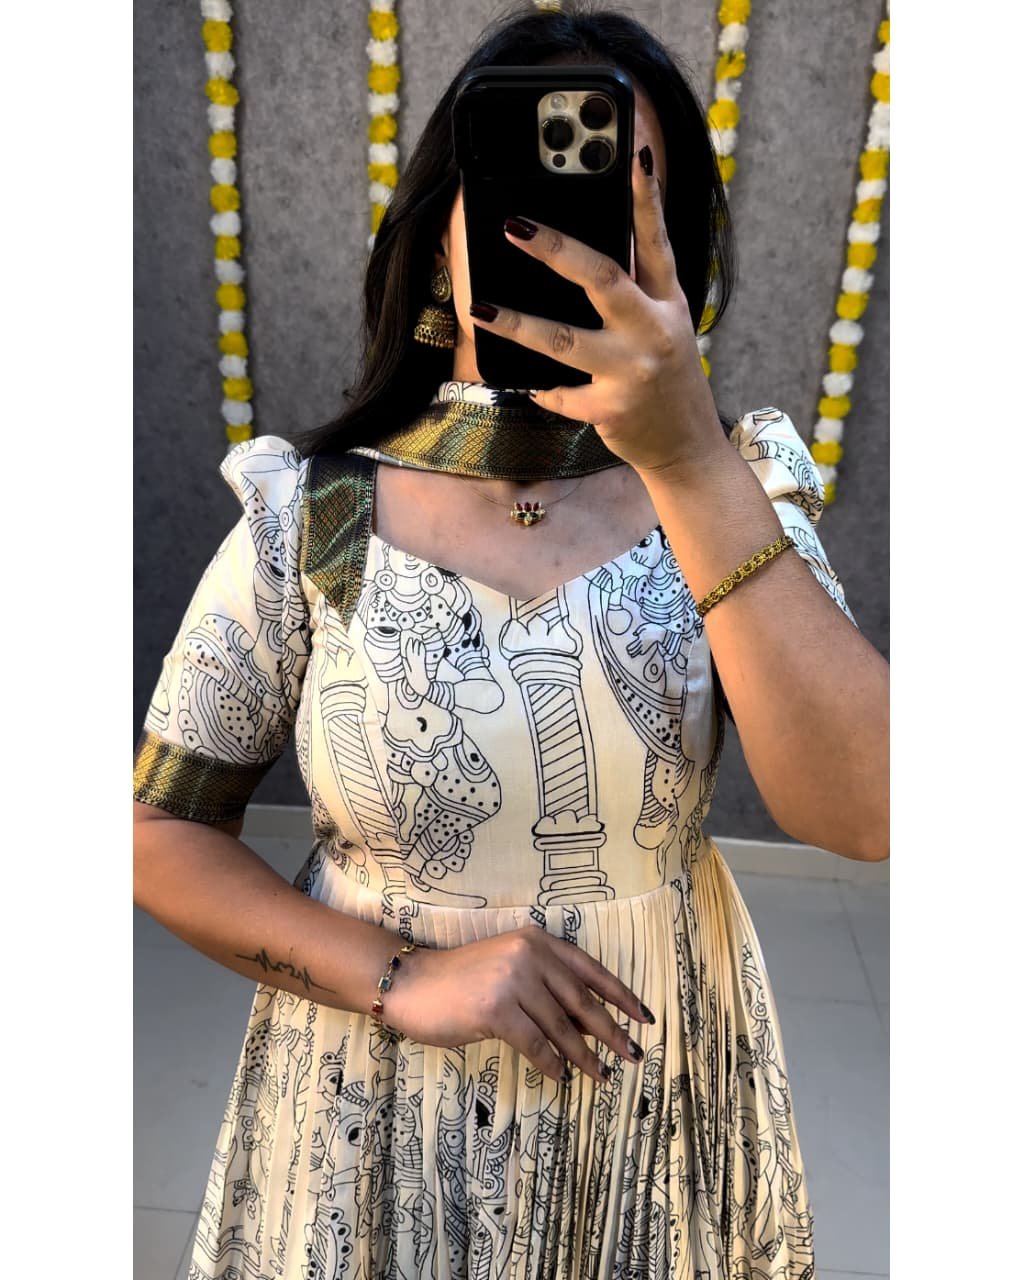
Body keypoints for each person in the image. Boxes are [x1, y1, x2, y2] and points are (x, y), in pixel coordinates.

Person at [133, 5, 889, 1278]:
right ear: (441, 228)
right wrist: (400, 975)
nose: (564, 231)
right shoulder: (311, 514)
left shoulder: (736, 492)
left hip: (649, 1100)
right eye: (511, 189)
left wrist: (689, 462)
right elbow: (156, 830)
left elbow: (865, 811)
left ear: (674, 243)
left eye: (621, 191)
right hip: (368, 1091)